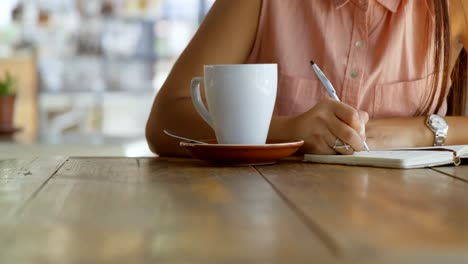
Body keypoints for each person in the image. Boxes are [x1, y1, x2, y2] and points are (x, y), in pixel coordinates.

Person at [146, 0, 468, 157]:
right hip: (266, 224)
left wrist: (420, 133)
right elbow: (165, 120)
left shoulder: (453, 7)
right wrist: (289, 132)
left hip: (406, 228)